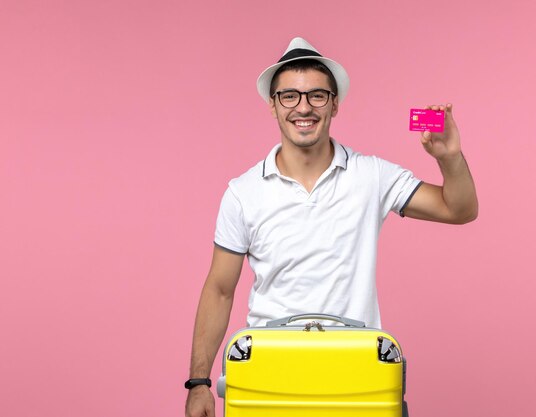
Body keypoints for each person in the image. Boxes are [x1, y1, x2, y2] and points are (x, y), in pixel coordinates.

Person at [184, 37, 478, 417]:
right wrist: (199, 382)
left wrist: (450, 158)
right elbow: (220, 290)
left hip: (357, 375)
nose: (303, 107)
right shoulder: (242, 193)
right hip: (270, 374)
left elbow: (459, 209)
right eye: (289, 96)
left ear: (335, 104)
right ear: (272, 105)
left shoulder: (372, 175)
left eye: (317, 96)